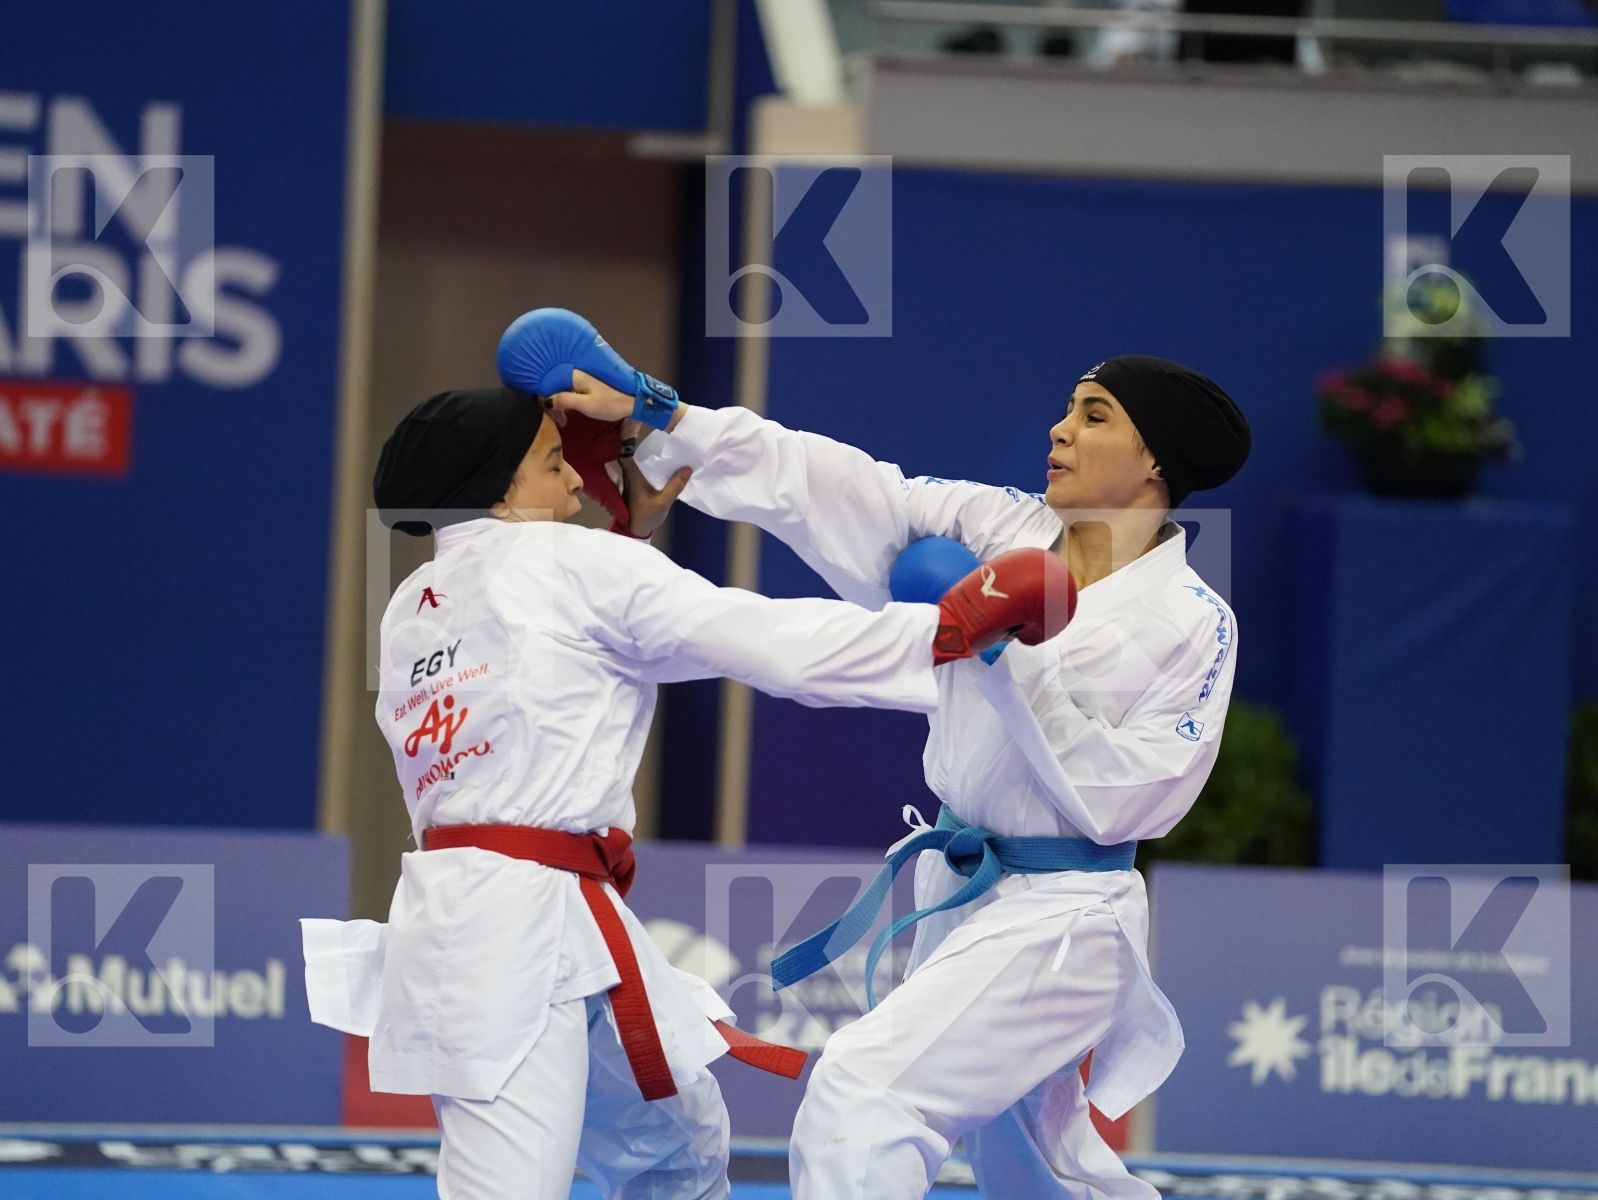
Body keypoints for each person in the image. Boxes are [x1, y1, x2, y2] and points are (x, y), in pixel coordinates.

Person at [300, 378, 1075, 1200]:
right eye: (555, 460)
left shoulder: (413, 606)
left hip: (506, 920)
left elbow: (561, 659)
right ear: (497, 485)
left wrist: (627, 538)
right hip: (514, 935)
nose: (575, 482)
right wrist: (952, 630)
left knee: (676, 1144)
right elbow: (776, 646)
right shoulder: (575, 566)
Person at [537, 321, 1251, 1200]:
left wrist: (1002, 654)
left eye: (1095, 416)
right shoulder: (1000, 527)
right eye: (1068, 409)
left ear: (1156, 463)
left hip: (1066, 917)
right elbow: (834, 485)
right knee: (1043, 1171)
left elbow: (1128, 803)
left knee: (862, 1096)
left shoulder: (1192, 621)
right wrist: (661, 413)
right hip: (960, 890)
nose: (1061, 430)